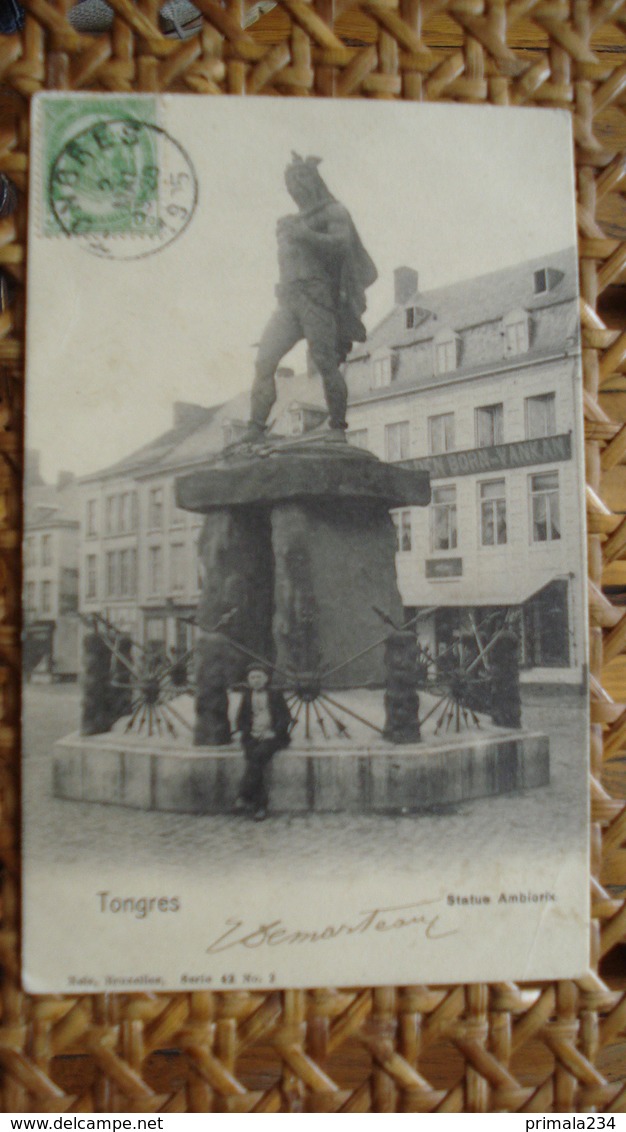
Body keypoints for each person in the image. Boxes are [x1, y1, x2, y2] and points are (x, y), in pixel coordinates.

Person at [242, 153, 377, 443]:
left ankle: (337, 427)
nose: (294, 186)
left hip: (316, 296)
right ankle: (255, 428)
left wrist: (305, 235)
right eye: (289, 181)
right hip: (288, 300)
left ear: (313, 180)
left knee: (325, 362)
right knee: (264, 361)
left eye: (299, 178)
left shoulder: (333, 211)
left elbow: (342, 245)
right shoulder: (289, 221)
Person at [233, 665, 292, 821]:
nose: (256, 680)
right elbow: (240, 720)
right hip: (252, 736)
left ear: (266, 679)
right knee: (255, 758)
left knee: (257, 755)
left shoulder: (275, 695)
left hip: (272, 736)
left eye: (259, 677)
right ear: (248, 680)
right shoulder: (247, 696)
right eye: (252, 677)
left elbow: (285, 717)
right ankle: (259, 807)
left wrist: (273, 732)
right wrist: (249, 732)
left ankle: (245, 795)